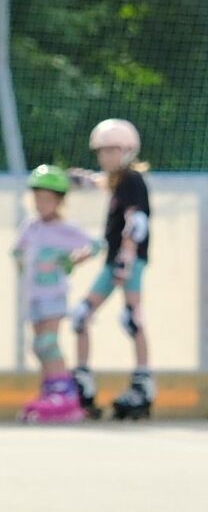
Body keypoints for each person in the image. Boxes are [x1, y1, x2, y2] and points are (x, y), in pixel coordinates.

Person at [68, 118, 155, 421]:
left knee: (133, 318)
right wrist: (82, 180)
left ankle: (143, 385)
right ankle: (82, 381)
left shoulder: (132, 180)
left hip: (127, 261)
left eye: (112, 151)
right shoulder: (119, 180)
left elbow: (137, 223)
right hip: (115, 259)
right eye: (102, 151)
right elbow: (104, 182)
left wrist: (125, 260)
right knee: (80, 316)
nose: (106, 157)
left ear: (128, 151)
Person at [12, 165, 100, 424]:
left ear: (59, 201)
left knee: (48, 342)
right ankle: (50, 389)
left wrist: (70, 261)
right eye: (38, 199)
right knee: (39, 346)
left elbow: (95, 245)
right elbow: (18, 250)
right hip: (35, 295)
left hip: (53, 294)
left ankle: (65, 394)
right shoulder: (32, 226)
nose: (42, 204)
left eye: (48, 199)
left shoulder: (64, 228)